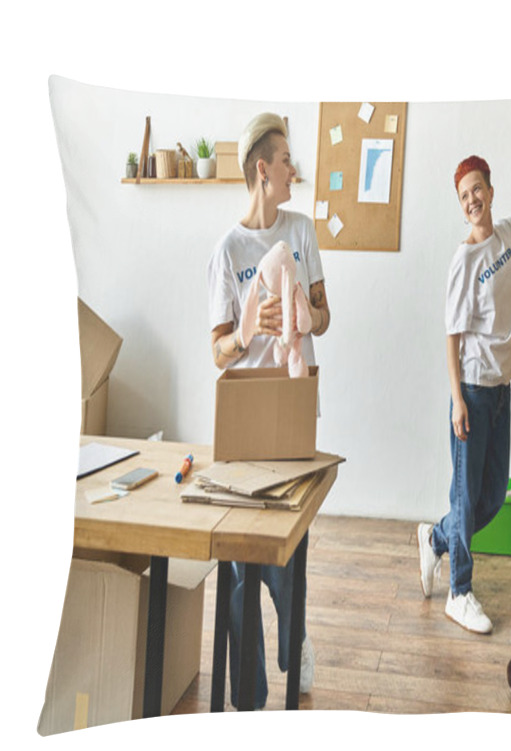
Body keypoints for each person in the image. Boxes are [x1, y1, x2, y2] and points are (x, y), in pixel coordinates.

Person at [417, 126, 511, 634]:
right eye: (464, 196)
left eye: (477, 189)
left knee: (487, 500)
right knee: (467, 498)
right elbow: (452, 337)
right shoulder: (464, 262)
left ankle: (436, 539)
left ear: (490, 188)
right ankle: (459, 592)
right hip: (474, 396)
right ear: (460, 205)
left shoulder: (506, 234)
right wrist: (457, 400)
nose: (472, 200)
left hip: (502, 391)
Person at [206, 112, 331, 709]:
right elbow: (216, 350)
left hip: (291, 394)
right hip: (244, 403)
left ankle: (295, 641)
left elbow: (325, 319)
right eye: (286, 162)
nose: (293, 171)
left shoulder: (302, 230)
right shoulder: (228, 251)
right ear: (263, 169)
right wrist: (248, 329)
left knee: (287, 549)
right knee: (237, 567)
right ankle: (249, 699)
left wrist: (304, 307)